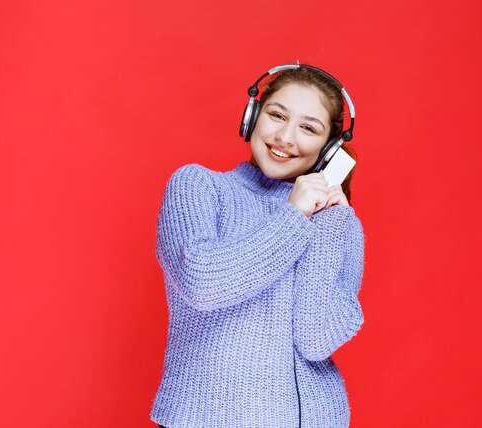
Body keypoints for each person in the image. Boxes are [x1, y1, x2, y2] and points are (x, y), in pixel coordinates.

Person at [150, 64, 365, 428]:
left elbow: (315, 340)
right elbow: (203, 283)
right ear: (252, 116)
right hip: (203, 418)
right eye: (277, 115)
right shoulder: (198, 186)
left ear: (330, 150)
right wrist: (294, 217)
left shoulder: (338, 223)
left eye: (308, 128)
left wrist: (329, 225)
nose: (285, 136)